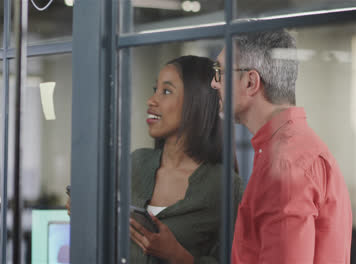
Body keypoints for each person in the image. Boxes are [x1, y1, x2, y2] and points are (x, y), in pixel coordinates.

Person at [210, 30, 353, 263]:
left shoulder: (284, 165)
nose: (214, 83)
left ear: (250, 82)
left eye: (220, 72)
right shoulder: (294, 148)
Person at [129, 55, 243, 264]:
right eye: (155, 89)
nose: (151, 100)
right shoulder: (135, 163)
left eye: (166, 91)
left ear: (196, 102)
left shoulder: (224, 185)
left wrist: (177, 256)